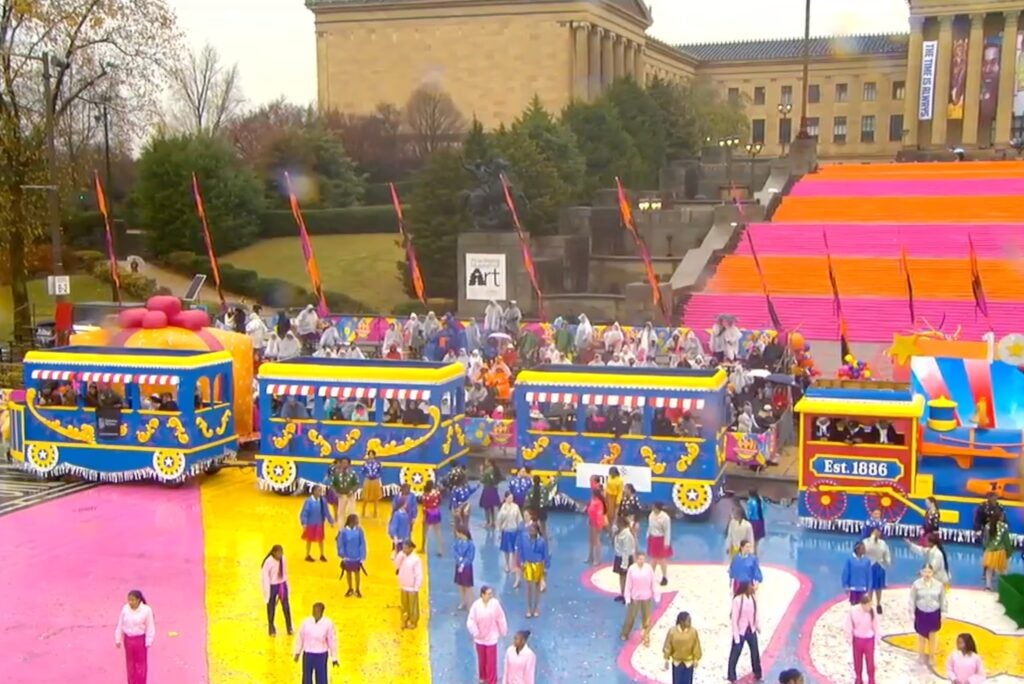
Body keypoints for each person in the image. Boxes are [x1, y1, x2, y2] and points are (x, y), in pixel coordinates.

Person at [467, 585, 509, 684]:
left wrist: (503, 631)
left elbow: (500, 617)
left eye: (491, 594)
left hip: (491, 637)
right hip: (480, 638)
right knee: (482, 659)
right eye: (488, 594)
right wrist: (475, 632)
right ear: (482, 595)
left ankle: (491, 681)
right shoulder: (476, 606)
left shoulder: (495, 604)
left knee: (491, 661)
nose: (491, 596)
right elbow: (471, 620)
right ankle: (483, 677)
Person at [114, 589, 155, 684]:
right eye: (129, 600)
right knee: (130, 665)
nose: (130, 602)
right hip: (128, 640)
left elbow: (150, 626)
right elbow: (120, 624)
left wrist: (149, 640)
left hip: (140, 640)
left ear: (138, 600)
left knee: (141, 665)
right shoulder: (125, 609)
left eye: (132, 600)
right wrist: (118, 638)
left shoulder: (146, 610)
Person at [909, 564, 947, 665]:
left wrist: (944, 613)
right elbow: (912, 599)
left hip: (934, 613)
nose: (927, 574)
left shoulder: (939, 585)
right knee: (921, 635)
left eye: (929, 572)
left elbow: (943, 600)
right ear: (921, 572)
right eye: (925, 571)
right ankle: (921, 655)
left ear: (933, 573)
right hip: (921, 613)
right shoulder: (916, 584)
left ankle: (931, 656)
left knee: (933, 636)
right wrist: (911, 613)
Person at [293, 602, 339, 684]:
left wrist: (334, 658)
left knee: (321, 678)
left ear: (322, 612)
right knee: (307, 678)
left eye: (317, 611)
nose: (315, 613)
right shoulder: (306, 622)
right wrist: (297, 652)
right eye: (313, 611)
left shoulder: (327, 624)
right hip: (308, 654)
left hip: (321, 655)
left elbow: (332, 641)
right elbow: (300, 637)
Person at [621, 552, 660, 646]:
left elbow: (653, 582)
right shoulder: (632, 569)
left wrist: (656, 595)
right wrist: (627, 598)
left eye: (643, 559)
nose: (641, 561)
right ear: (636, 559)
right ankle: (625, 633)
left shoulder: (648, 568)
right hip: (635, 597)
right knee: (631, 617)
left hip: (646, 597)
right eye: (639, 559)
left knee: (647, 619)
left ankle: (646, 637)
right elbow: (628, 584)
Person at [727, 581, 762, 684]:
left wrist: (757, 625)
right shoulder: (737, 600)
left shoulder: (753, 598)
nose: (753, 587)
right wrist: (736, 636)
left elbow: (756, 612)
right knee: (735, 653)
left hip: (751, 630)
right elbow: (734, 619)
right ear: (746, 587)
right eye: (751, 585)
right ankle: (731, 676)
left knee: (755, 653)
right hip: (741, 631)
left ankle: (758, 673)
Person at [846, 592, 879, 684]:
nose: (868, 607)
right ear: (862, 604)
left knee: (870, 661)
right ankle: (858, 678)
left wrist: (877, 639)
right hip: (857, 639)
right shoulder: (853, 611)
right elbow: (848, 625)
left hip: (869, 639)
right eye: (867, 605)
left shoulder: (872, 612)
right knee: (857, 660)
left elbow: (876, 626)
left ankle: (871, 679)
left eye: (870, 605)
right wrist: (849, 637)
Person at [519, 522, 550, 618]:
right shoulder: (524, 538)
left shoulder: (541, 541)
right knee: (529, 587)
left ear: (537, 531)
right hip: (528, 564)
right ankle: (529, 608)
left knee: (537, 587)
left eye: (533, 530)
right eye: (529, 530)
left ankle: (536, 608)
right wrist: (522, 562)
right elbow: (521, 550)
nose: (530, 531)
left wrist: (546, 567)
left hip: (538, 565)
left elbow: (545, 554)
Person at [662, 611, 702, 684]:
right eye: (688, 620)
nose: (690, 622)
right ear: (681, 621)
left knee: (688, 681)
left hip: (689, 662)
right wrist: (666, 659)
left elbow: (696, 645)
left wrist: (696, 658)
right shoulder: (672, 632)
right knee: (677, 681)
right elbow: (668, 645)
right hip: (677, 662)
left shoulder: (693, 632)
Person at [262, 545, 293, 636]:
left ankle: (289, 626)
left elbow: (285, 572)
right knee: (271, 607)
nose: (280, 555)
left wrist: (287, 585)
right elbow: (265, 577)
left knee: (286, 606)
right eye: (279, 553)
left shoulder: (283, 559)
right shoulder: (268, 562)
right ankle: (271, 627)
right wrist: (267, 591)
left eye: (281, 553)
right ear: (274, 553)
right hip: (272, 586)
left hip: (281, 585)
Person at [300, 485, 335, 562]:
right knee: (309, 540)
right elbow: (305, 512)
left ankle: (322, 555)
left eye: (321, 491)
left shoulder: (323, 501)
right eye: (319, 491)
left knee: (320, 539)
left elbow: (326, 512)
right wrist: (304, 523)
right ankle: (307, 554)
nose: (321, 492)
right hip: (310, 524)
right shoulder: (308, 501)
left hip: (319, 523)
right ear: (314, 492)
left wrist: (331, 521)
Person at [394, 540, 424, 629]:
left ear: (411, 548)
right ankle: (404, 619)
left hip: (412, 587)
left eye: (406, 548)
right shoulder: (403, 556)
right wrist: (400, 555)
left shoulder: (416, 560)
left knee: (413, 606)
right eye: (403, 548)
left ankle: (413, 621)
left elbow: (419, 574)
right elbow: (396, 565)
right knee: (404, 605)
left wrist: (416, 587)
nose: (404, 550)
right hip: (404, 585)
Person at [982, 508, 1013, 590]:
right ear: (1000, 517)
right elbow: (1006, 541)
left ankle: (988, 586)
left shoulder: (988, 525)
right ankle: (1003, 588)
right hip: (1000, 551)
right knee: (1002, 570)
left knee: (989, 570)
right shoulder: (1004, 526)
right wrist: (1009, 552)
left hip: (990, 551)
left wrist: (986, 548)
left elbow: (985, 540)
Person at [336, 514, 367, 598]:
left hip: (356, 556)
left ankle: (357, 589)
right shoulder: (344, 532)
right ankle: (350, 588)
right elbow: (340, 543)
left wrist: (362, 556)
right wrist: (342, 554)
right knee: (348, 572)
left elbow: (362, 543)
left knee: (357, 573)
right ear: (351, 522)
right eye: (356, 520)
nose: (357, 522)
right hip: (348, 556)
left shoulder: (359, 531)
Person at [863, 527, 891, 613]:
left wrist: (888, 562)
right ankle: (869, 604)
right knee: (870, 587)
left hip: (879, 566)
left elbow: (887, 554)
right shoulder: (865, 542)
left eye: (878, 531)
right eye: (875, 531)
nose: (877, 533)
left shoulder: (883, 543)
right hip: (869, 566)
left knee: (879, 587)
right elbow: (864, 552)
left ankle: (878, 604)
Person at [497, 491, 524, 573]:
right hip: (506, 531)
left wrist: (521, 529)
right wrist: (499, 531)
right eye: (509, 498)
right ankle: (507, 564)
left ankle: (513, 565)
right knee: (506, 550)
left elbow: (519, 519)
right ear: (505, 498)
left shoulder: (516, 507)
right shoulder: (503, 507)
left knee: (514, 549)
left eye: (512, 498)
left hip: (514, 530)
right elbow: (499, 520)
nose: (511, 499)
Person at [647, 502, 673, 585]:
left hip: (661, 539)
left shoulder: (665, 517)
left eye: (654, 507)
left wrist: (666, 542)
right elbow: (650, 526)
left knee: (661, 560)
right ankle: (650, 577)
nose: (652, 509)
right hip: (653, 538)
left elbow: (667, 530)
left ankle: (664, 577)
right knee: (653, 559)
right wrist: (648, 535)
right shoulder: (651, 515)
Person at [613, 515, 637, 603]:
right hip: (619, 556)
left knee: (627, 577)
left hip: (625, 558)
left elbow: (626, 550)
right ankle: (623, 593)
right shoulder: (619, 532)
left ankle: (628, 595)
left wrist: (625, 564)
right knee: (621, 577)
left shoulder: (626, 534)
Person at [454, 526, 477, 610]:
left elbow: (470, 557)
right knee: (460, 585)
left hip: (467, 567)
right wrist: (459, 560)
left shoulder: (471, 544)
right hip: (458, 565)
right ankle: (463, 602)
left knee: (467, 586)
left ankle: (470, 603)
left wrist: (463, 564)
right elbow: (455, 551)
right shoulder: (457, 542)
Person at [331, 458, 359, 523]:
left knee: (351, 512)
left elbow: (357, 484)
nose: (344, 464)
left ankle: (351, 527)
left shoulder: (353, 474)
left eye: (345, 463)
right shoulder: (337, 474)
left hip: (350, 496)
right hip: (341, 496)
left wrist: (352, 491)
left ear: (349, 464)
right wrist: (336, 493)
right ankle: (341, 529)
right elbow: (332, 485)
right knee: (340, 513)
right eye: (342, 463)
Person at [421, 481, 444, 556]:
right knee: (438, 532)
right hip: (436, 512)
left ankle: (423, 548)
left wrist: (424, 517)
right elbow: (440, 501)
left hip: (428, 513)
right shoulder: (437, 492)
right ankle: (440, 550)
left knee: (425, 532)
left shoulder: (425, 494)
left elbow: (424, 506)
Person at [480, 459, 503, 529]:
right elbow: (501, 478)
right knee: (492, 506)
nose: (485, 462)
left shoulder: (487, 471)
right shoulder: (496, 469)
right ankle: (493, 522)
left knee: (486, 506)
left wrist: (481, 472)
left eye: (486, 461)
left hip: (487, 489)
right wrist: (496, 484)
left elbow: (482, 480)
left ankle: (488, 522)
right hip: (494, 489)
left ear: (489, 462)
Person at [586, 490, 607, 565]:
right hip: (591, 522)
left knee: (597, 541)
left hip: (596, 523)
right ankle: (590, 557)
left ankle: (598, 559)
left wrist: (598, 525)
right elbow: (589, 510)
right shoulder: (592, 500)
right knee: (591, 540)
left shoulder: (599, 503)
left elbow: (599, 514)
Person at [360, 451, 383, 519]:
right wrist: (367, 475)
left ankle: (375, 513)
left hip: (375, 480)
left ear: (374, 455)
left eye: (372, 455)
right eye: (369, 455)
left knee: (376, 497)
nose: (370, 456)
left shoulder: (378, 464)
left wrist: (377, 476)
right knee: (365, 497)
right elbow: (362, 471)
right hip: (367, 480)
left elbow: (381, 471)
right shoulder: (365, 464)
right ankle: (363, 512)